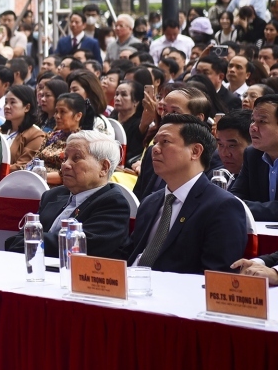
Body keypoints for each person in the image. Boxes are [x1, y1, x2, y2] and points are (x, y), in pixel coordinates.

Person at [117, 115, 247, 274]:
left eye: (165, 142)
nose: (155, 149)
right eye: (155, 142)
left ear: (195, 151)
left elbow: (217, 276)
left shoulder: (222, 206)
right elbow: (128, 254)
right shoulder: (150, 202)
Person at [5, 131, 131, 257]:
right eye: (65, 158)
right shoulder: (52, 196)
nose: (65, 165)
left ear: (103, 167)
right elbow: (15, 241)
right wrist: (28, 241)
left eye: (76, 158)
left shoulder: (114, 204)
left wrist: (30, 242)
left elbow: (76, 247)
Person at [229, 95, 278, 220]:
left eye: (262, 121)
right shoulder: (252, 154)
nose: (253, 127)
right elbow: (236, 196)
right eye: (253, 120)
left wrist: (241, 207)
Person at [2, 84, 46, 170]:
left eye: (12, 102)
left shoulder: (35, 135)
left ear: (27, 107)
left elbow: (22, 167)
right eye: (6, 102)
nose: (7, 106)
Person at [113, 79, 146, 164]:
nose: (117, 98)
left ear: (136, 101)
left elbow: (133, 153)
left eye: (124, 95)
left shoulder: (139, 125)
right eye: (116, 94)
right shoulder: (110, 118)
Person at [214, 108, 251, 178]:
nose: (224, 154)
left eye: (232, 146)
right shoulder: (215, 176)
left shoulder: (266, 180)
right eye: (220, 144)